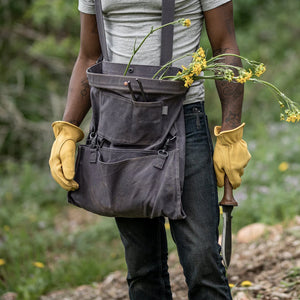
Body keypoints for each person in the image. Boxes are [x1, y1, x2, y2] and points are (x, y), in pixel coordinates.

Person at [49, 0, 251, 299]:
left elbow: (224, 46)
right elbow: (89, 55)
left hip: (183, 119)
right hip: (120, 126)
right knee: (143, 269)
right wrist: (67, 130)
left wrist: (230, 133)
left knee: (203, 260)